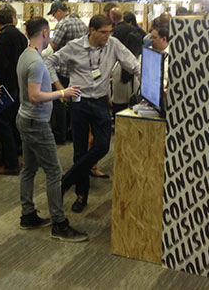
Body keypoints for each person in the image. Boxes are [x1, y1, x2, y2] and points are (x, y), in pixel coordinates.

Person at [46, 14, 140, 213]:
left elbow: (134, 66)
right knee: (79, 149)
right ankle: (81, 195)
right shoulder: (74, 46)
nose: (107, 36)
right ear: (92, 30)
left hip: (100, 101)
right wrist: (60, 88)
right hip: (79, 100)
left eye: (110, 32)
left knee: (102, 146)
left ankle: (65, 181)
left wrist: (151, 85)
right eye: (103, 32)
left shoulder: (113, 44)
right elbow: (49, 62)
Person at [16, 16, 87, 242]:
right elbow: (35, 96)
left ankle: (28, 214)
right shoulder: (36, 62)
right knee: (54, 172)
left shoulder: (26, 55)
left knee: (29, 168)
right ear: (45, 33)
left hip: (27, 119)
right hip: (36, 122)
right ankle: (59, 223)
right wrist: (62, 93)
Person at [0, 5, 28, 175]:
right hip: (18, 85)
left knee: (3, 124)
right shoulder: (21, 36)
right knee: (13, 124)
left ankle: (11, 164)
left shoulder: (3, 37)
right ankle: (9, 157)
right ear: (13, 19)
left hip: (5, 87)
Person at [48, 1, 88, 144]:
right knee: (74, 102)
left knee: (60, 101)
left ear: (59, 11)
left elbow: (52, 46)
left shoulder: (63, 24)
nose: (55, 18)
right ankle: (72, 132)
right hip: (78, 70)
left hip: (64, 69)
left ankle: (61, 134)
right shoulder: (81, 23)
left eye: (54, 15)